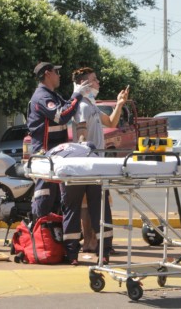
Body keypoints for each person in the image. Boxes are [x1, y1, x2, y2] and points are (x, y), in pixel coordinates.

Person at [69, 67, 129, 262]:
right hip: (88, 161)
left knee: (98, 203)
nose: (98, 83)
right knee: (87, 204)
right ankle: (88, 242)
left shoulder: (91, 104)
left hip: (97, 161)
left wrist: (120, 104)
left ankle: (95, 240)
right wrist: (85, 151)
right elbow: (81, 132)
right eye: (94, 80)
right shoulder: (81, 106)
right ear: (84, 84)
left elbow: (111, 122)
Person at [27, 61, 91, 225]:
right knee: (45, 203)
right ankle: (41, 240)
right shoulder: (43, 97)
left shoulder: (53, 96)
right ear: (48, 74)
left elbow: (68, 108)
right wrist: (77, 95)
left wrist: (76, 97)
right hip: (46, 158)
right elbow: (62, 115)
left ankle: (54, 243)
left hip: (55, 159)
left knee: (57, 204)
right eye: (56, 72)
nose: (59, 75)